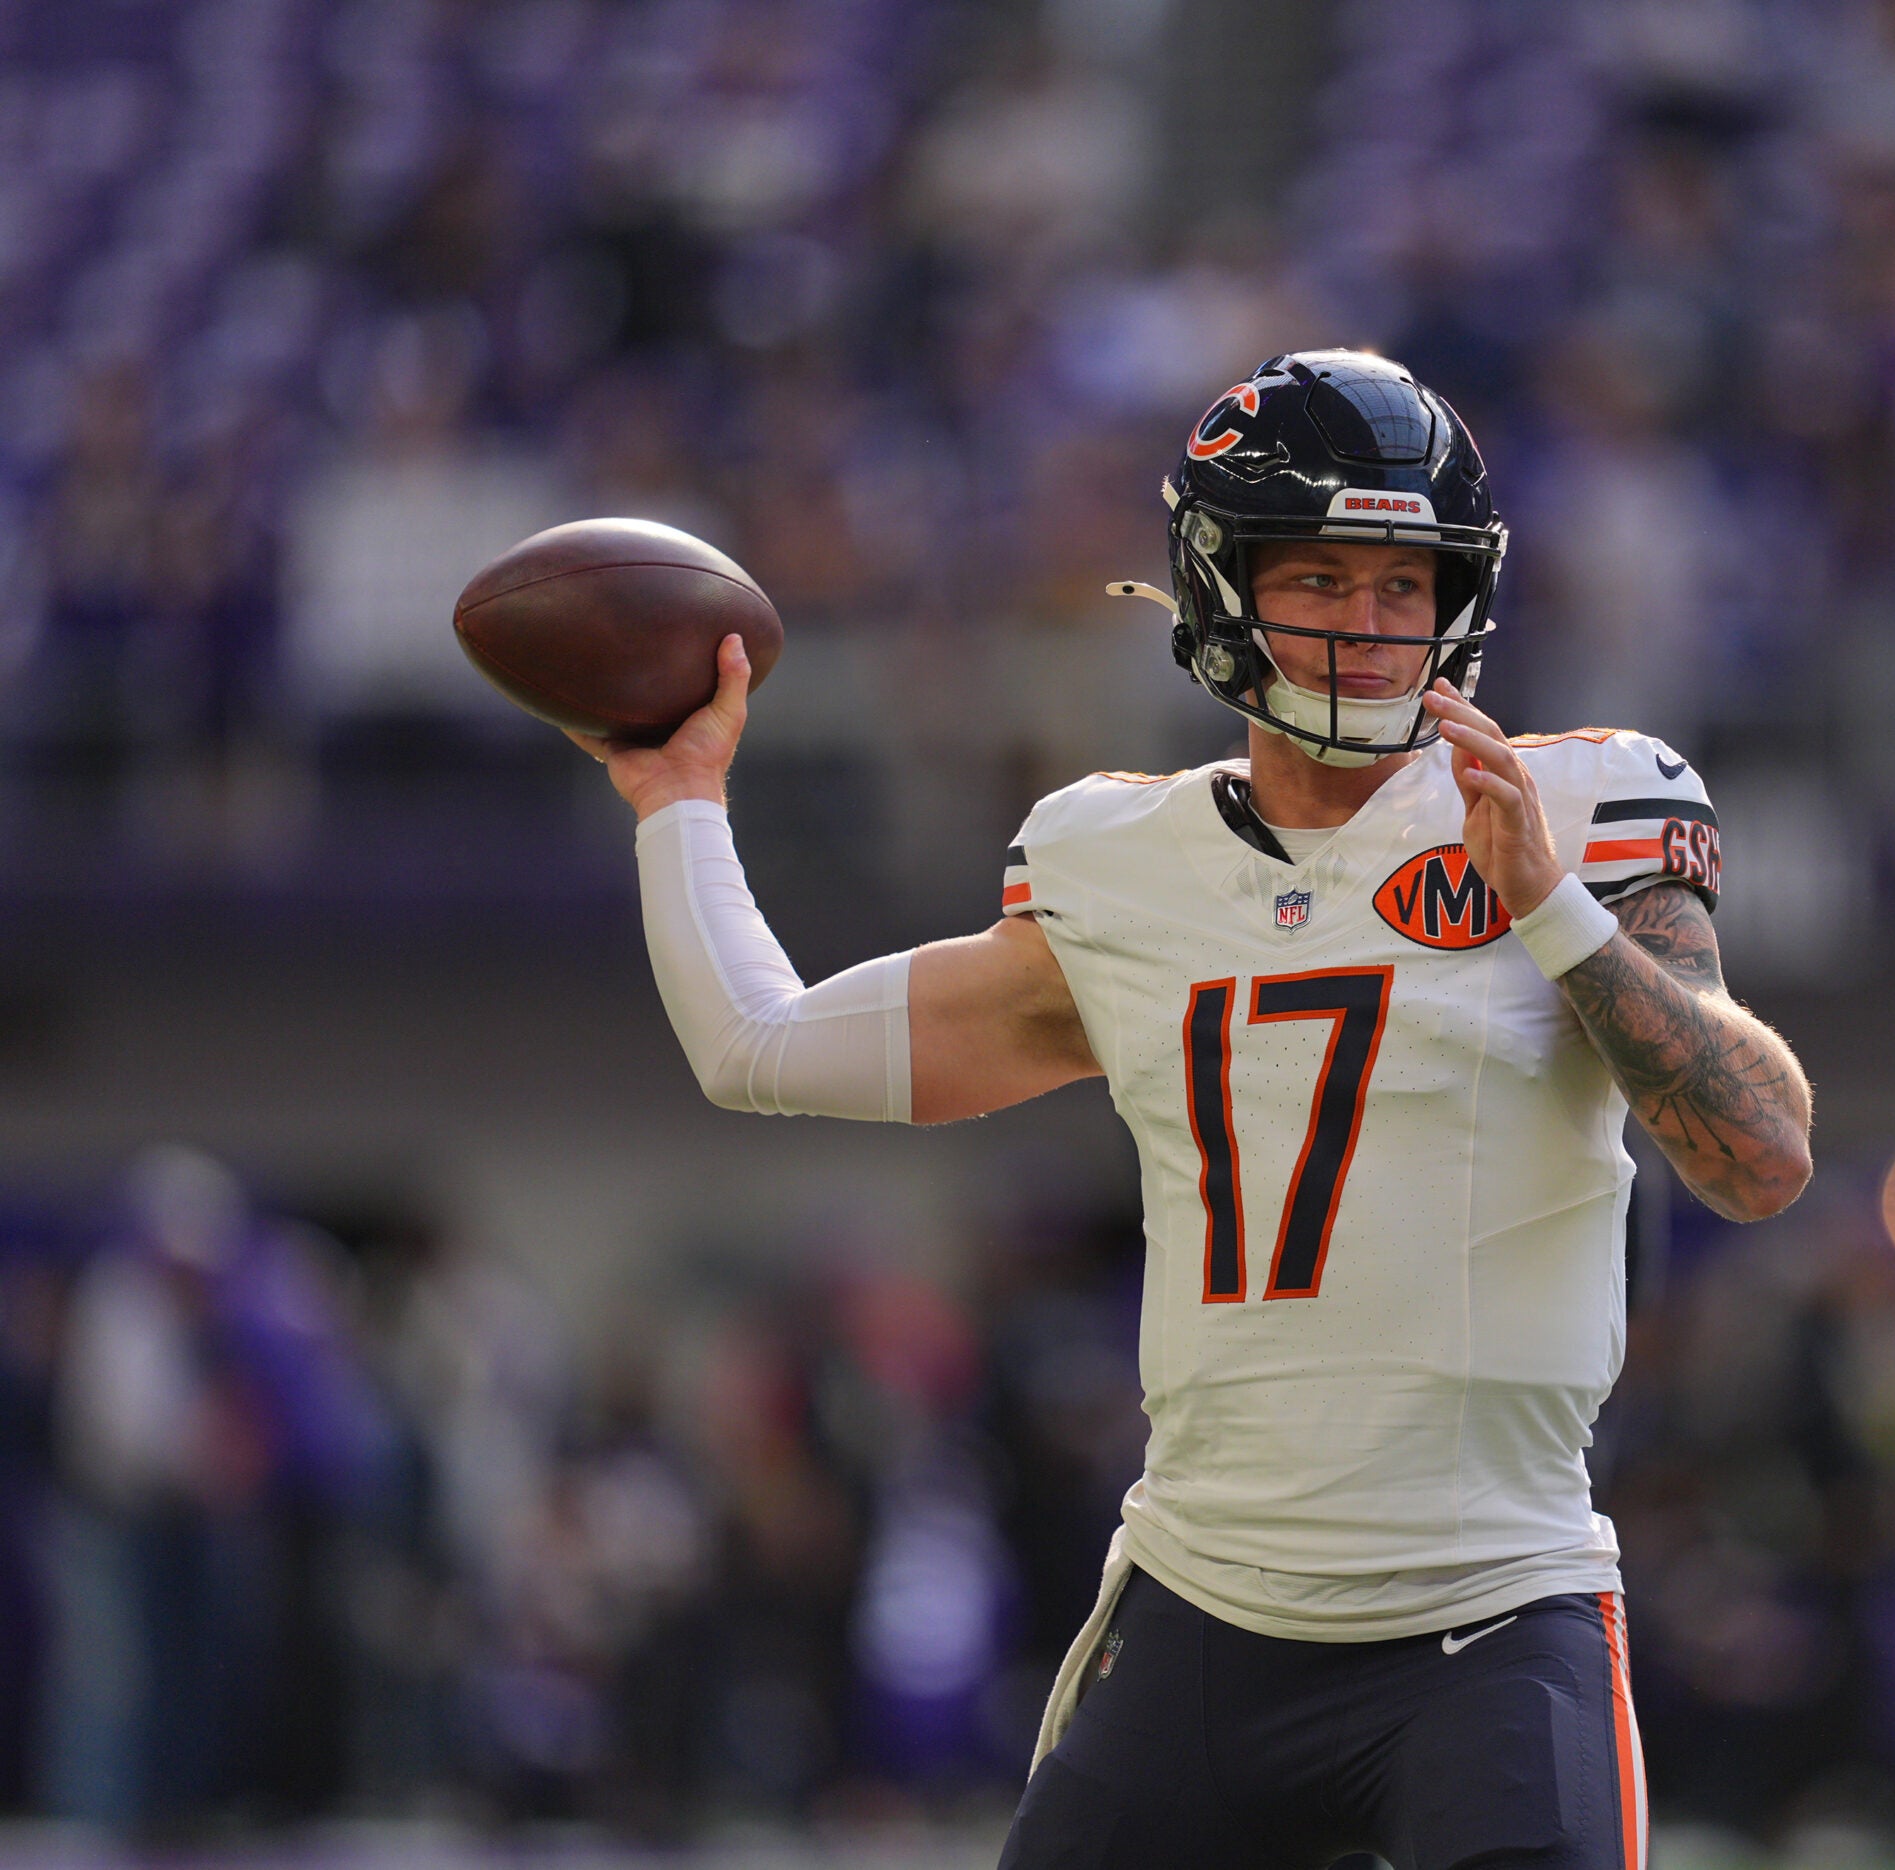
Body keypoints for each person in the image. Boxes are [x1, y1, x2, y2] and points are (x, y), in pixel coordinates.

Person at [570, 351, 1813, 1868]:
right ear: (1221, 584)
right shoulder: (1119, 866)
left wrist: (1554, 914)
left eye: (1402, 583)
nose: (1368, 626)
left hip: (1494, 1613)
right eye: (1322, 578)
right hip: (1203, 1617)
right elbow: (756, 1045)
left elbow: (1760, 1153)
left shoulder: (1582, 807)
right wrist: (680, 800)